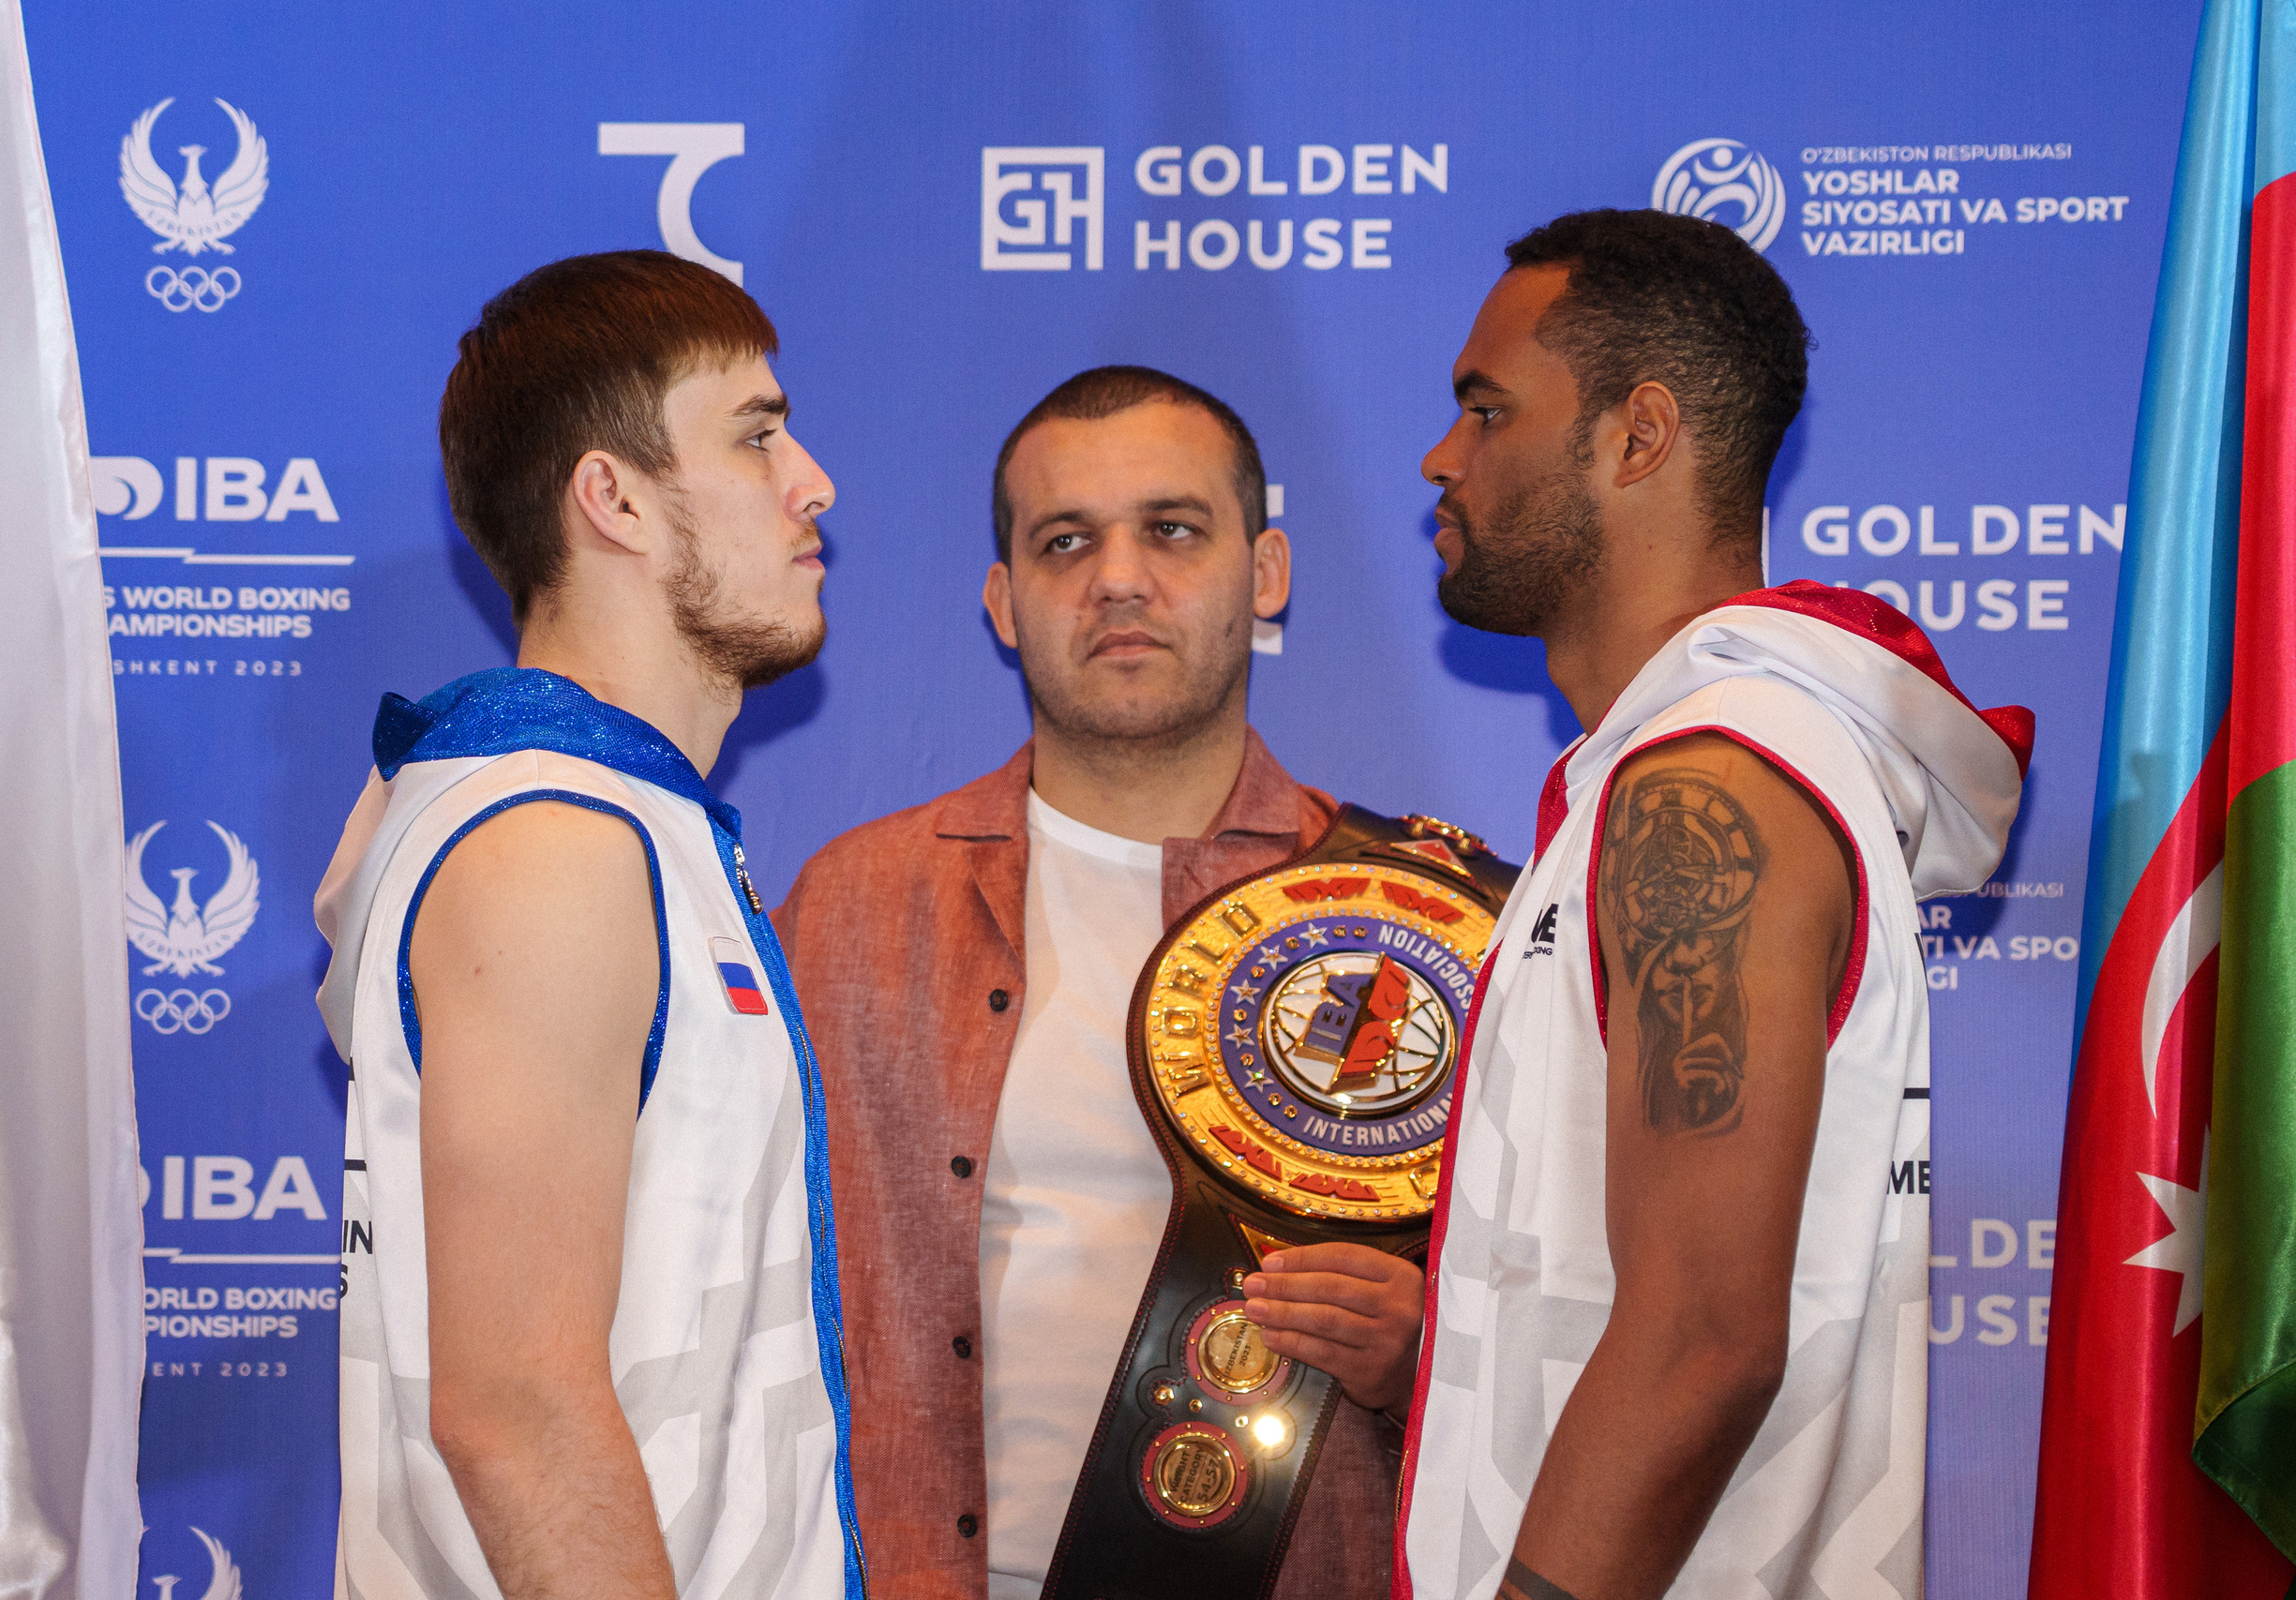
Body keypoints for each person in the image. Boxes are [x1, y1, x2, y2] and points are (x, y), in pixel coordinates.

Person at [1394, 210, 2032, 1600]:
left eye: (1486, 409)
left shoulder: (1710, 786)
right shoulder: (1690, 761)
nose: (1443, 457)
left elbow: (1703, 1333)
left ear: (1638, 436)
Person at [777, 366, 1429, 1600]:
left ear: (1268, 571)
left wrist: (1424, 1357)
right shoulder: (851, 908)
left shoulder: (1406, 922)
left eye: (1173, 530)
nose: (1119, 577)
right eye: (1064, 541)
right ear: (1004, 601)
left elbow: (1555, 1341)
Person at [313, 250, 863, 1600]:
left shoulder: (614, 821)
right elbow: (514, 1415)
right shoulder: (552, 844)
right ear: (611, 497)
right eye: (756, 435)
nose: (814, 484)